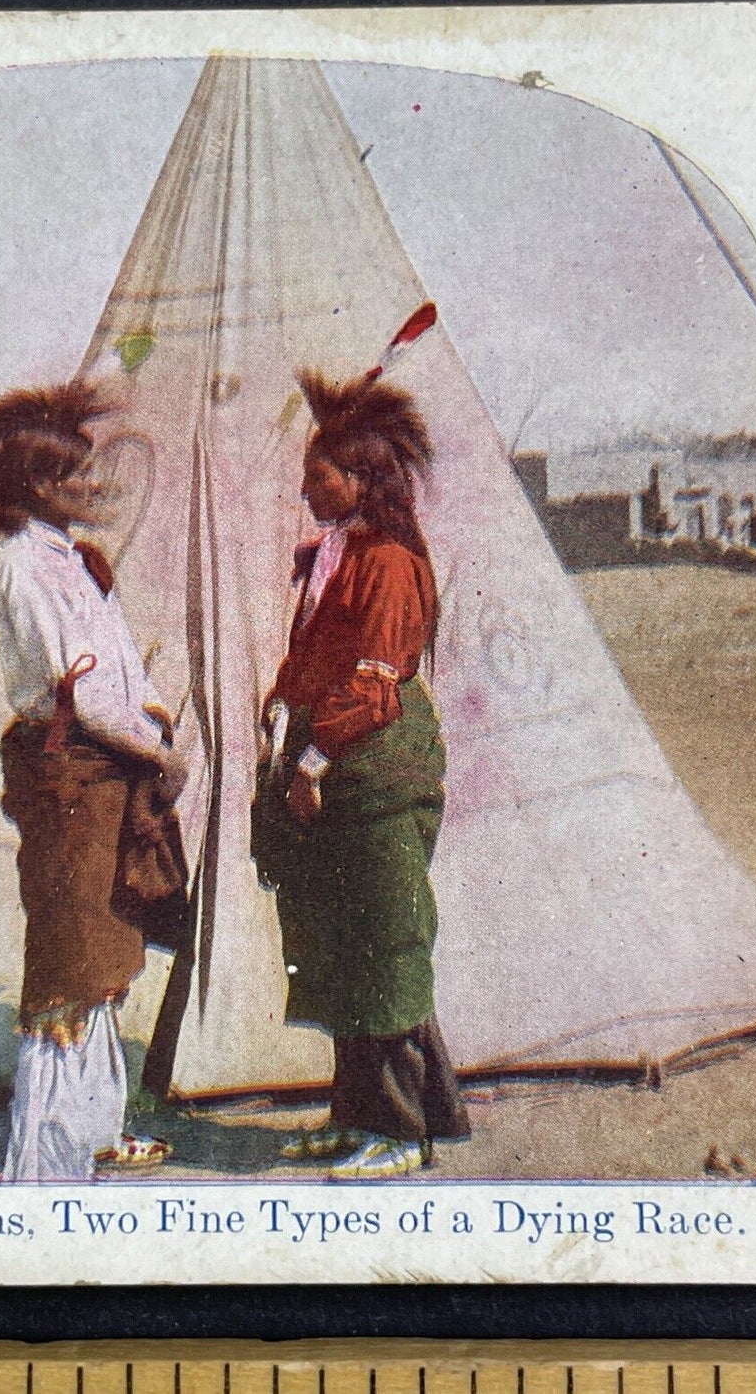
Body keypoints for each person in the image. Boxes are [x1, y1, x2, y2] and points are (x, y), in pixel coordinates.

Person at [0, 378, 187, 1182]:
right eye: (75, 475)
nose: (95, 485)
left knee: (105, 952)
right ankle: (46, 1162)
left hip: (106, 771)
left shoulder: (71, 562)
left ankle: (94, 1130)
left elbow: (116, 671)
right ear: (37, 487)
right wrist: (155, 751)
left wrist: (152, 719)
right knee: (67, 965)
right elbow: (81, 693)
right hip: (71, 776)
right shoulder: (25, 568)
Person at [257, 367, 471, 1179]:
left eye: (319, 476)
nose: (306, 489)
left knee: (383, 941)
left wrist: (311, 759)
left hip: (372, 763)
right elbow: (311, 658)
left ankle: (401, 1129)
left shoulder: (386, 562)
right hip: (330, 757)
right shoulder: (339, 555)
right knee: (339, 944)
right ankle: (355, 1116)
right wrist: (282, 713)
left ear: (361, 480)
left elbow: (374, 686)